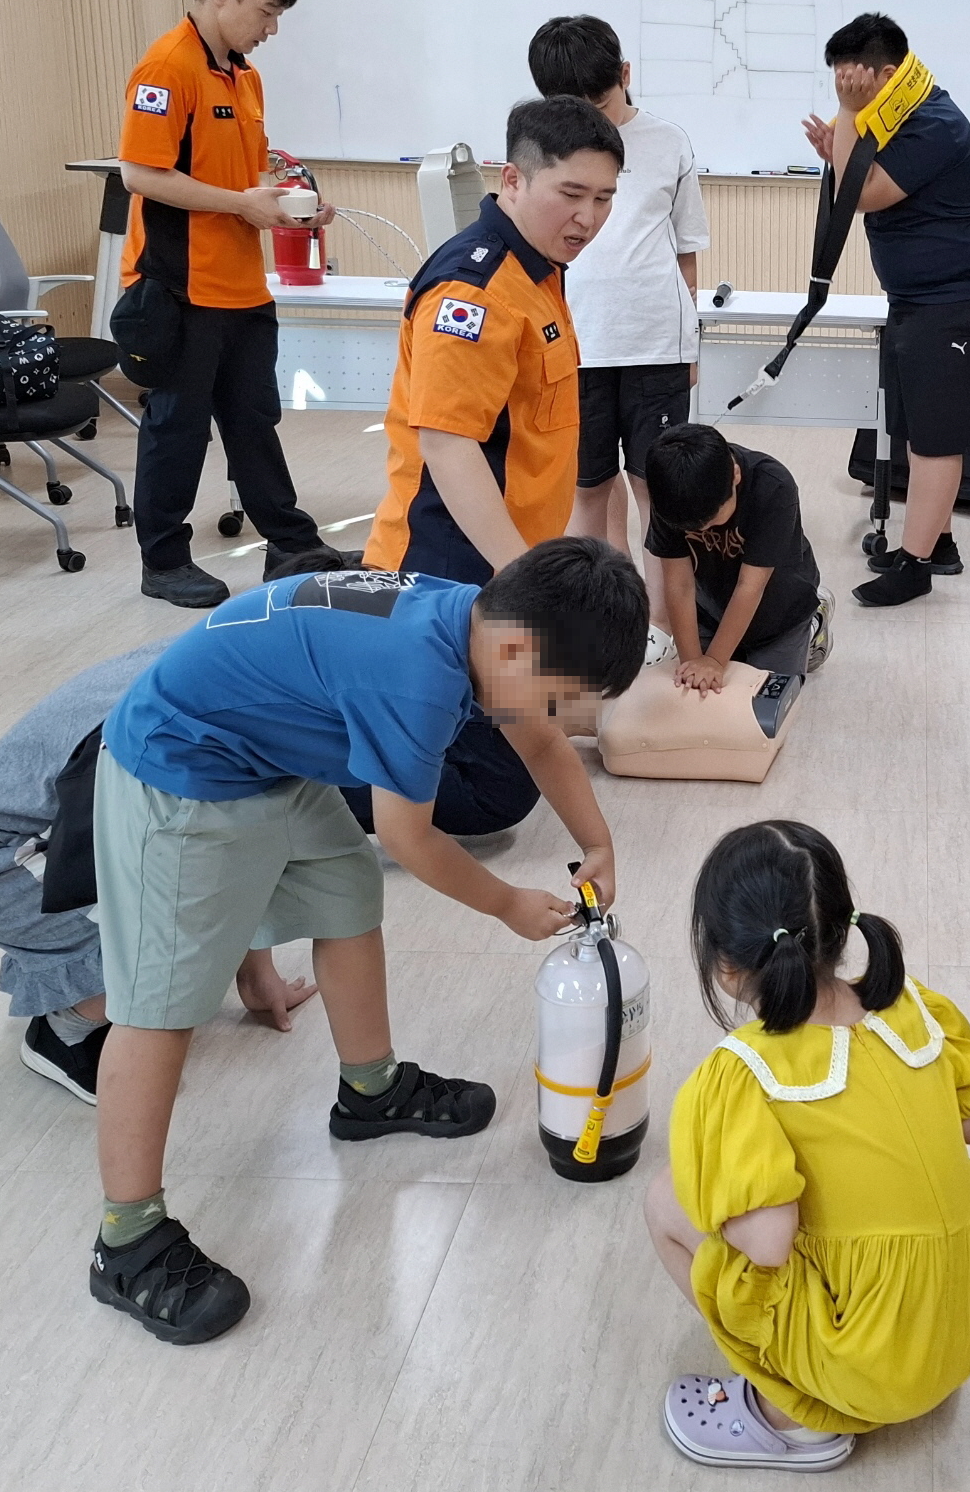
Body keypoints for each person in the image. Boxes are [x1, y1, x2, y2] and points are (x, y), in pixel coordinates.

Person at [86, 541, 647, 1344]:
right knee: (161, 1006)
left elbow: (537, 739)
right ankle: (127, 1238)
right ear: (517, 651)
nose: (556, 715)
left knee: (347, 897)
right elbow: (410, 838)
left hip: (266, 754)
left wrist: (599, 842)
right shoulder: (414, 678)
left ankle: (371, 1090)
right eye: (559, 697)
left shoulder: (480, 619)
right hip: (181, 766)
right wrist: (506, 904)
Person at [644, 820, 970, 1471]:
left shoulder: (744, 1072)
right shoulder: (915, 1009)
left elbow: (767, 1244)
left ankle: (792, 1421)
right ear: (842, 931)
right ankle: (899, 1360)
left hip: (876, 1364)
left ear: (726, 966)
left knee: (666, 1199)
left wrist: (723, 1178)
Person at [0, 642, 317, 1106]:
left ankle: (91, 977)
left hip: (13, 844)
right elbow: (217, 856)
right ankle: (67, 1029)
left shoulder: (221, 656)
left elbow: (248, 841)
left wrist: (256, 972)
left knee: (213, 859)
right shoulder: (191, 722)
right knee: (190, 905)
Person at [116, 0, 354, 609]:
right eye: (266, 11)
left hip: (243, 286)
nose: (271, 29)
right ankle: (164, 561)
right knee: (177, 427)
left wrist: (287, 207)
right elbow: (140, 174)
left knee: (253, 421)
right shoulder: (167, 68)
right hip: (179, 286)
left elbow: (239, 179)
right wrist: (241, 203)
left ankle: (291, 545)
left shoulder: (244, 75)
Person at [799, 14, 970, 610]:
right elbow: (860, 181)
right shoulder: (895, 118)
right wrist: (844, 142)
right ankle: (938, 543)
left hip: (956, 301)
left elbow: (860, 195)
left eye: (853, 84)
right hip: (920, 299)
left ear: (887, 74)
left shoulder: (932, 123)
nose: (846, 94)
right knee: (917, 429)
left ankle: (914, 568)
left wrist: (846, 119)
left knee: (935, 440)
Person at [364, 96, 623, 586]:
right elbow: (448, 444)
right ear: (513, 180)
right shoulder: (474, 292)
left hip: (510, 555)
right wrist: (522, 577)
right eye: (571, 194)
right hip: (451, 566)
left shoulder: (538, 268)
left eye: (603, 198)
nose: (587, 218)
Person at [528, 15, 708, 605]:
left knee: (656, 486)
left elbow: (685, 253)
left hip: (655, 340)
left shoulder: (668, 141)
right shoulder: (541, 148)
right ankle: (605, 610)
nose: (588, 119)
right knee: (587, 487)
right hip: (575, 345)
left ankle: (664, 622)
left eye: (599, 102)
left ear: (625, 75)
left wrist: (689, 343)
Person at [642, 423, 830, 687]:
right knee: (699, 693)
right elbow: (679, 585)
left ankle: (812, 627)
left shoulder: (773, 485)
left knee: (764, 696)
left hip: (780, 614)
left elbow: (749, 586)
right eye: (691, 529)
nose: (702, 530)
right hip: (711, 609)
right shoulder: (670, 492)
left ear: (736, 475)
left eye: (710, 521)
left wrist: (714, 661)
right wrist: (692, 664)